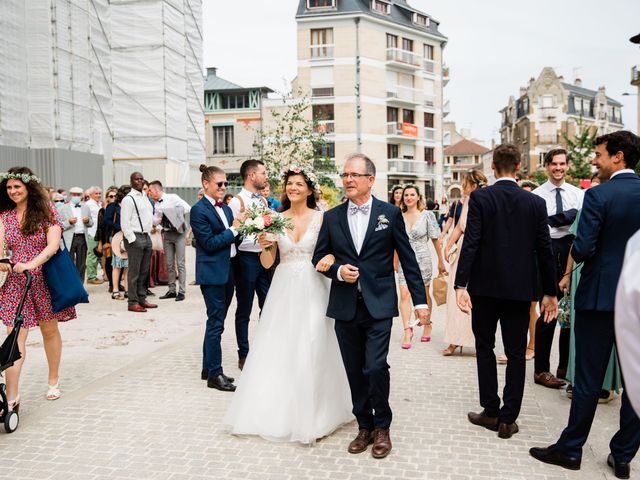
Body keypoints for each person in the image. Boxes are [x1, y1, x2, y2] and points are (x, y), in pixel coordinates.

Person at [530, 131, 640, 478]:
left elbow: (584, 247)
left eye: (599, 154)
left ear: (618, 157)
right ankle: (623, 455)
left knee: (588, 378)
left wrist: (573, 258)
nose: (595, 160)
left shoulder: (598, 195)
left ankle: (571, 449)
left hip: (600, 297)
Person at [312, 153, 429, 459]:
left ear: (370, 180)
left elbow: (408, 259)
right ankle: (363, 425)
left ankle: (382, 427)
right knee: (354, 370)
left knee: (375, 366)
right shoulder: (333, 216)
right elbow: (319, 257)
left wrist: (420, 301)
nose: (347, 180)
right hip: (345, 306)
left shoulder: (389, 214)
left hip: (379, 305)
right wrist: (337, 270)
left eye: (354, 175)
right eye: (345, 175)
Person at [225, 167, 352, 443]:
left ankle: (317, 412)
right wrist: (265, 244)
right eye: (290, 184)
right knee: (281, 345)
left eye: (299, 184)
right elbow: (268, 263)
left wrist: (329, 257)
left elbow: (332, 250)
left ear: (309, 189)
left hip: (315, 285)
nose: (293, 188)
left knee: (315, 342)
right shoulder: (273, 219)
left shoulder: (323, 218)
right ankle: (279, 409)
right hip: (283, 287)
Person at [455, 143, 557, 440]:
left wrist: (461, 284)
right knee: (515, 353)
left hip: (484, 289)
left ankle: (490, 409)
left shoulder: (481, 198)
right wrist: (549, 291)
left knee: (484, 348)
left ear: (493, 168)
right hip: (519, 290)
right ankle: (508, 419)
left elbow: (471, 243)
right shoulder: (535, 203)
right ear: (519, 167)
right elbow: (545, 250)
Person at [0, 167, 77, 409]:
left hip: (42, 280)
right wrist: (3, 261)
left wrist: (31, 264)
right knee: (15, 336)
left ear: (28, 188)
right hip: (15, 283)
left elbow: (53, 245)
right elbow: (1, 246)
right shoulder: (4, 216)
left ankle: (53, 380)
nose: (13, 191)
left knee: (49, 331)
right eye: (9, 188)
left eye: (17, 187)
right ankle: (12, 397)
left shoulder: (47, 213)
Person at [560, 175, 620, 402]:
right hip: (581, 275)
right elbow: (575, 245)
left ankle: (604, 385)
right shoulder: (586, 208)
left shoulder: (613, 207)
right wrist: (566, 276)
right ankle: (576, 380)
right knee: (579, 331)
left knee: (603, 335)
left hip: (601, 274)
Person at [531, 149, 584, 388]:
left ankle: (565, 366)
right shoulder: (536, 195)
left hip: (572, 252)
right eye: (554, 164)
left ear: (568, 166)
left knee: (568, 311)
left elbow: (580, 221)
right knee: (548, 309)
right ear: (547, 167)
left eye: (562, 164)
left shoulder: (579, 194)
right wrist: (565, 217)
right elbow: (536, 229)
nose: (558, 168)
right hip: (546, 251)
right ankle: (541, 370)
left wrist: (553, 219)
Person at [190, 165, 239, 392]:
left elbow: (232, 239)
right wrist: (234, 231)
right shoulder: (198, 210)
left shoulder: (227, 209)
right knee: (216, 323)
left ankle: (207, 368)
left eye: (225, 183)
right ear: (206, 184)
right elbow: (209, 243)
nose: (223, 187)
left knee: (216, 321)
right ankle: (215, 374)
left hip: (228, 270)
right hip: (212, 273)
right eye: (219, 183)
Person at [228, 159, 272, 370]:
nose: (266, 176)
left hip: (265, 258)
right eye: (263, 173)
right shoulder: (236, 202)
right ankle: (243, 353)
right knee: (244, 308)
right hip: (245, 260)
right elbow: (231, 232)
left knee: (268, 306)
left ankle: (264, 349)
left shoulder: (264, 202)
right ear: (251, 176)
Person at [442, 169, 487, 356]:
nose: (462, 187)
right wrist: (447, 246)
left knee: (476, 298)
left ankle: (477, 340)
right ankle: (454, 340)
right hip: (462, 252)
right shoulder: (467, 201)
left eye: (465, 184)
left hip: (480, 253)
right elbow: (460, 227)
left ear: (474, 185)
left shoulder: (485, 201)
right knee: (454, 297)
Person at [397, 184, 444, 348]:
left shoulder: (427, 215)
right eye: (406, 195)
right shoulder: (398, 216)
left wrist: (441, 260)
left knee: (423, 294)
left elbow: (435, 239)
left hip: (423, 259)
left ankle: (426, 324)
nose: (408, 198)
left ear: (418, 197)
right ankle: (407, 330)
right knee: (404, 294)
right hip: (404, 260)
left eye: (412, 194)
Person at [148, 181, 191, 302]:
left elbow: (188, 208)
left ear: (156, 190)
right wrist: (157, 218)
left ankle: (181, 292)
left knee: (180, 263)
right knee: (169, 264)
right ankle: (172, 290)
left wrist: (171, 211)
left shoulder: (173, 197)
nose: (149, 193)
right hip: (166, 234)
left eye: (150, 191)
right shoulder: (156, 204)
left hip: (179, 233)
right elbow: (155, 221)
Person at [120, 172, 157, 313]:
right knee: (134, 272)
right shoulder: (128, 199)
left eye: (141, 179)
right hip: (135, 237)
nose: (140, 181)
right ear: (131, 181)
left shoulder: (145, 198)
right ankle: (132, 302)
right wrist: (132, 239)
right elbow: (124, 222)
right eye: (137, 179)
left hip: (146, 236)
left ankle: (142, 298)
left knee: (144, 271)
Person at [616, 229, 640, 416]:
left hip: (601, 291)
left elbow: (583, 248)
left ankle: (573, 442)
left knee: (588, 376)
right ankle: (625, 446)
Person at [106, 185, 130, 300]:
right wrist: (121, 227)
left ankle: (127, 289)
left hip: (129, 237)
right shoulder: (112, 206)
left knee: (128, 266)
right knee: (117, 265)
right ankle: (115, 290)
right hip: (117, 237)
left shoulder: (131, 206)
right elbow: (107, 221)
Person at [67, 186, 92, 282]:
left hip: (82, 237)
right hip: (70, 238)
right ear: (70, 195)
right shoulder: (64, 208)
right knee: (69, 263)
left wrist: (88, 220)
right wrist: (68, 222)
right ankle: (70, 285)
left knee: (81, 264)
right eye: (74, 194)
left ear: (81, 196)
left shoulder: (86, 207)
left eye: (78, 195)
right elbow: (59, 225)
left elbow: (91, 223)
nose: (76, 196)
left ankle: (80, 286)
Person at [95, 186, 118, 291]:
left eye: (115, 195)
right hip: (107, 237)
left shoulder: (120, 208)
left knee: (119, 260)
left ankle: (116, 283)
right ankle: (111, 284)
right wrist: (100, 242)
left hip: (118, 237)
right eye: (111, 196)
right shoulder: (102, 211)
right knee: (109, 260)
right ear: (107, 198)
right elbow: (100, 227)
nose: (113, 197)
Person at [84, 186, 103, 285]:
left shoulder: (99, 204)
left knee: (99, 254)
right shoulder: (88, 205)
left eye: (100, 193)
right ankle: (91, 277)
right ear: (90, 195)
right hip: (92, 232)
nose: (98, 195)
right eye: (96, 193)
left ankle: (99, 274)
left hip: (98, 232)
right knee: (92, 255)